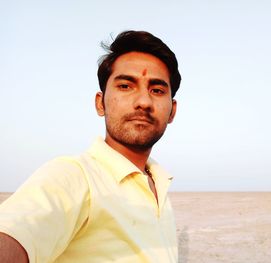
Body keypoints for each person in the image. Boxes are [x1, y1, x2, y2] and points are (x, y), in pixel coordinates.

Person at [0, 30, 181, 263]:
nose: (144, 102)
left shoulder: (159, 184)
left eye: (156, 90)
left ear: (172, 111)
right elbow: (15, 233)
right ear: (100, 103)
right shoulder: (73, 177)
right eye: (126, 86)